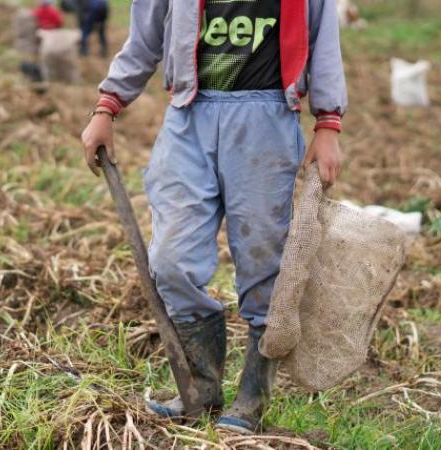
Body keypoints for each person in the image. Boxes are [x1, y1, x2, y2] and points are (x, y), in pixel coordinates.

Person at [81, 0, 347, 435]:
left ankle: (252, 397)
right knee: (170, 260)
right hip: (190, 117)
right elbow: (144, 39)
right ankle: (202, 388)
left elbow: (324, 42)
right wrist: (106, 107)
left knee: (265, 263)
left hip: (266, 119)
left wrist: (328, 124)